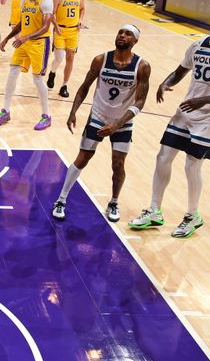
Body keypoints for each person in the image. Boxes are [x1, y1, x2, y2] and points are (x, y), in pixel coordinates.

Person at [129, 6, 210, 238]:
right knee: (163, 157)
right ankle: (155, 210)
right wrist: (165, 82)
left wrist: (207, 99)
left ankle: (192, 215)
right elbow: (181, 70)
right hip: (187, 110)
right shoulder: (198, 44)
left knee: (192, 164)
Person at [52, 25, 151, 222]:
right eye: (120, 31)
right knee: (83, 157)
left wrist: (117, 124)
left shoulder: (142, 66)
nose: (122, 35)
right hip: (98, 116)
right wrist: (73, 112)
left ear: (135, 41)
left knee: (118, 164)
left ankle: (114, 202)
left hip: (123, 122)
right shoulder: (101, 60)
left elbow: (140, 102)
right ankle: (61, 199)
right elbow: (84, 87)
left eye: (128, 33)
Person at [0, 0, 53, 131]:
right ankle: (5, 111)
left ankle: (46, 116)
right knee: (12, 72)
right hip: (24, 43)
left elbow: (45, 27)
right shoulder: (24, 1)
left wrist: (25, 38)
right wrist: (6, 38)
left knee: (37, 79)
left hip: (39, 44)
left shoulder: (46, 1)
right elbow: (20, 24)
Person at [47, 0, 85, 98]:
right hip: (60, 30)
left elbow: (82, 9)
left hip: (73, 31)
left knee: (70, 58)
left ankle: (64, 85)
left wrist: (80, 20)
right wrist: (55, 25)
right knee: (59, 58)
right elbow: (51, 14)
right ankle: (52, 73)